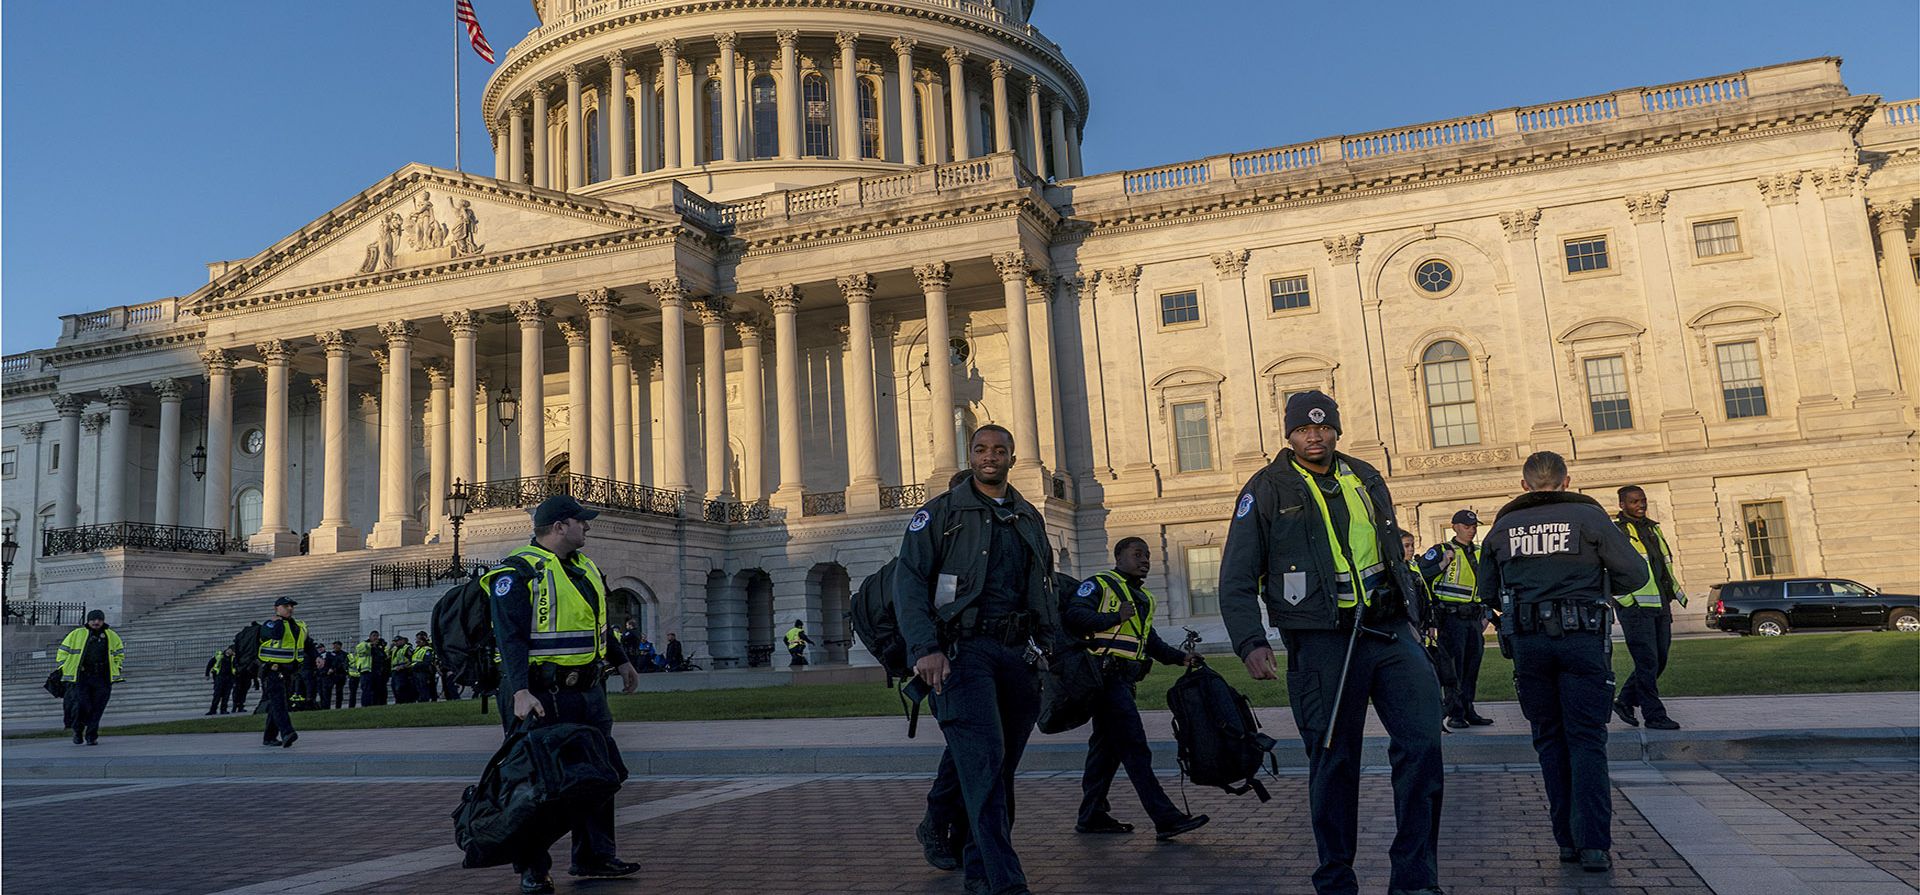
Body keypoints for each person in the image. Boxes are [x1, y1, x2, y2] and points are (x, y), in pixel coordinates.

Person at [1219, 390, 1444, 895]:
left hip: (1387, 631)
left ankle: (1415, 879)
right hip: (1322, 642)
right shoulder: (1267, 487)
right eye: (1303, 429)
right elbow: (1236, 575)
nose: (1314, 436)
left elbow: (1390, 552)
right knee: (1334, 759)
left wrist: (1412, 615)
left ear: (1336, 430)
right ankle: (1336, 879)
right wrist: (1250, 641)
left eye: (1322, 427)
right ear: (1290, 434)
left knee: (1423, 746)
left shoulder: (1364, 477)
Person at [895, 423, 1059, 895]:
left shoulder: (1028, 515)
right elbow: (908, 584)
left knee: (999, 769)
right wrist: (925, 648)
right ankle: (1003, 879)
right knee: (985, 766)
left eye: (999, 450)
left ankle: (977, 864)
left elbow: (1043, 584)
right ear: (970, 455)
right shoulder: (941, 513)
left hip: (1017, 654)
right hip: (962, 654)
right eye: (981, 449)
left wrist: (1052, 645)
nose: (990, 456)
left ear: (1012, 456)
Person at [1477, 451, 1648, 873]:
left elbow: (1485, 590)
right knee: (1587, 740)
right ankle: (1593, 844)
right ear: (1567, 481)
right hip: (1581, 640)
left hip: (1530, 645)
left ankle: (1566, 842)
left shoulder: (1502, 527)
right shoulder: (1589, 519)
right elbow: (1636, 574)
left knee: (1549, 739)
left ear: (1524, 486)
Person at [483, 494, 643, 894]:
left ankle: (595, 855)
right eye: (580, 521)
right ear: (559, 527)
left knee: (599, 774)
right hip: (539, 693)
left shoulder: (586, 567)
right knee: (537, 783)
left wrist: (621, 661)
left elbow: (597, 625)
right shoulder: (517, 572)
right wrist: (520, 690)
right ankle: (533, 867)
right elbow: (510, 637)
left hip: (587, 691)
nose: (587, 526)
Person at [1066, 537, 1210, 839]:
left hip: (1122, 681)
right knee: (1134, 748)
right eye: (1137, 554)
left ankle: (1091, 816)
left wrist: (1181, 658)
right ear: (1118, 557)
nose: (1144, 559)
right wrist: (1113, 617)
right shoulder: (1100, 584)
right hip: (1103, 680)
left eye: (1147, 555)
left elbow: (1149, 642)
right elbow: (1075, 616)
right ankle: (1165, 818)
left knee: (1105, 753)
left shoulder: (1142, 598)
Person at [1612, 485, 1684, 731]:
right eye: (1634, 502)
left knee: (1659, 659)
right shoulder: (1617, 532)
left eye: (1642, 501)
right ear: (1622, 505)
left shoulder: (1653, 528)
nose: (1640, 505)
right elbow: (1612, 570)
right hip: (1635, 608)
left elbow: (1663, 564)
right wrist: (1626, 601)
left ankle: (1624, 701)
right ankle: (1654, 715)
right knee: (1647, 661)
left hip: (1660, 603)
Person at [1419, 509, 1494, 730]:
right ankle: (1455, 713)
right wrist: (1443, 563)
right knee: (1453, 669)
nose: (1471, 530)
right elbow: (1421, 576)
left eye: (1473, 526)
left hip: (1474, 618)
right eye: (1466, 526)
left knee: (1472, 666)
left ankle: (1469, 709)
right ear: (1455, 527)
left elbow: (1490, 584)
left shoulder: (1480, 552)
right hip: (1450, 619)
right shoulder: (1441, 551)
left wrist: (1487, 614)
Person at [258, 596, 318, 748]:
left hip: (290, 671)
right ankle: (287, 732)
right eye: (285, 606)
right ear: (276, 608)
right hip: (273, 669)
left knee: (276, 703)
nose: (290, 608)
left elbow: (308, 643)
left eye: (291, 606)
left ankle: (269, 737)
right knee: (279, 702)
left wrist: (317, 657)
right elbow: (275, 635)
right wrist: (278, 621)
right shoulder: (269, 624)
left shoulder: (299, 625)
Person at [57, 609, 125, 745]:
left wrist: (117, 667)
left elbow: (119, 654)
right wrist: (64, 668)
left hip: (102, 677)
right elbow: (62, 653)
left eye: (99, 619)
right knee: (81, 705)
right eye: (93, 619)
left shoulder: (111, 635)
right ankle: (78, 730)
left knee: (98, 707)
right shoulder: (76, 634)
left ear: (103, 620)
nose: (96, 622)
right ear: (88, 620)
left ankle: (91, 735)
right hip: (81, 677)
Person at [207, 647, 237, 715]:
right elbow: (210, 664)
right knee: (217, 695)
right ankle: (213, 710)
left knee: (226, 695)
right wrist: (207, 674)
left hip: (229, 679)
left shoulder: (233, 658)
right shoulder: (219, 656)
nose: (230, 652)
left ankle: (223, 710)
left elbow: (235, 668)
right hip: (219, 677)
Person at [413, 632, 440, 703]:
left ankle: (427, 699)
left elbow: (428, 661)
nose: (417, 642)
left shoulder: (428, 648)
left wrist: (415, 665)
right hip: (417, 671)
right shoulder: (417, 649)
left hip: (425, 671)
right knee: (419, 687)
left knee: (426, 687)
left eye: (418, 640)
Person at [389, 635, 416, 704]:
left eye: (397, 641)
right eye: (395, 641)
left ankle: (403, 701)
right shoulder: (394, 649)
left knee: (400, 687)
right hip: (395, 671)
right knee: (394, 687)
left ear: (402, 641)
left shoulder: (407, 648)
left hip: (403, 671)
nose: (396, 643)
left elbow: (412, 659)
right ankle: (398, 701)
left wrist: (403, 666)